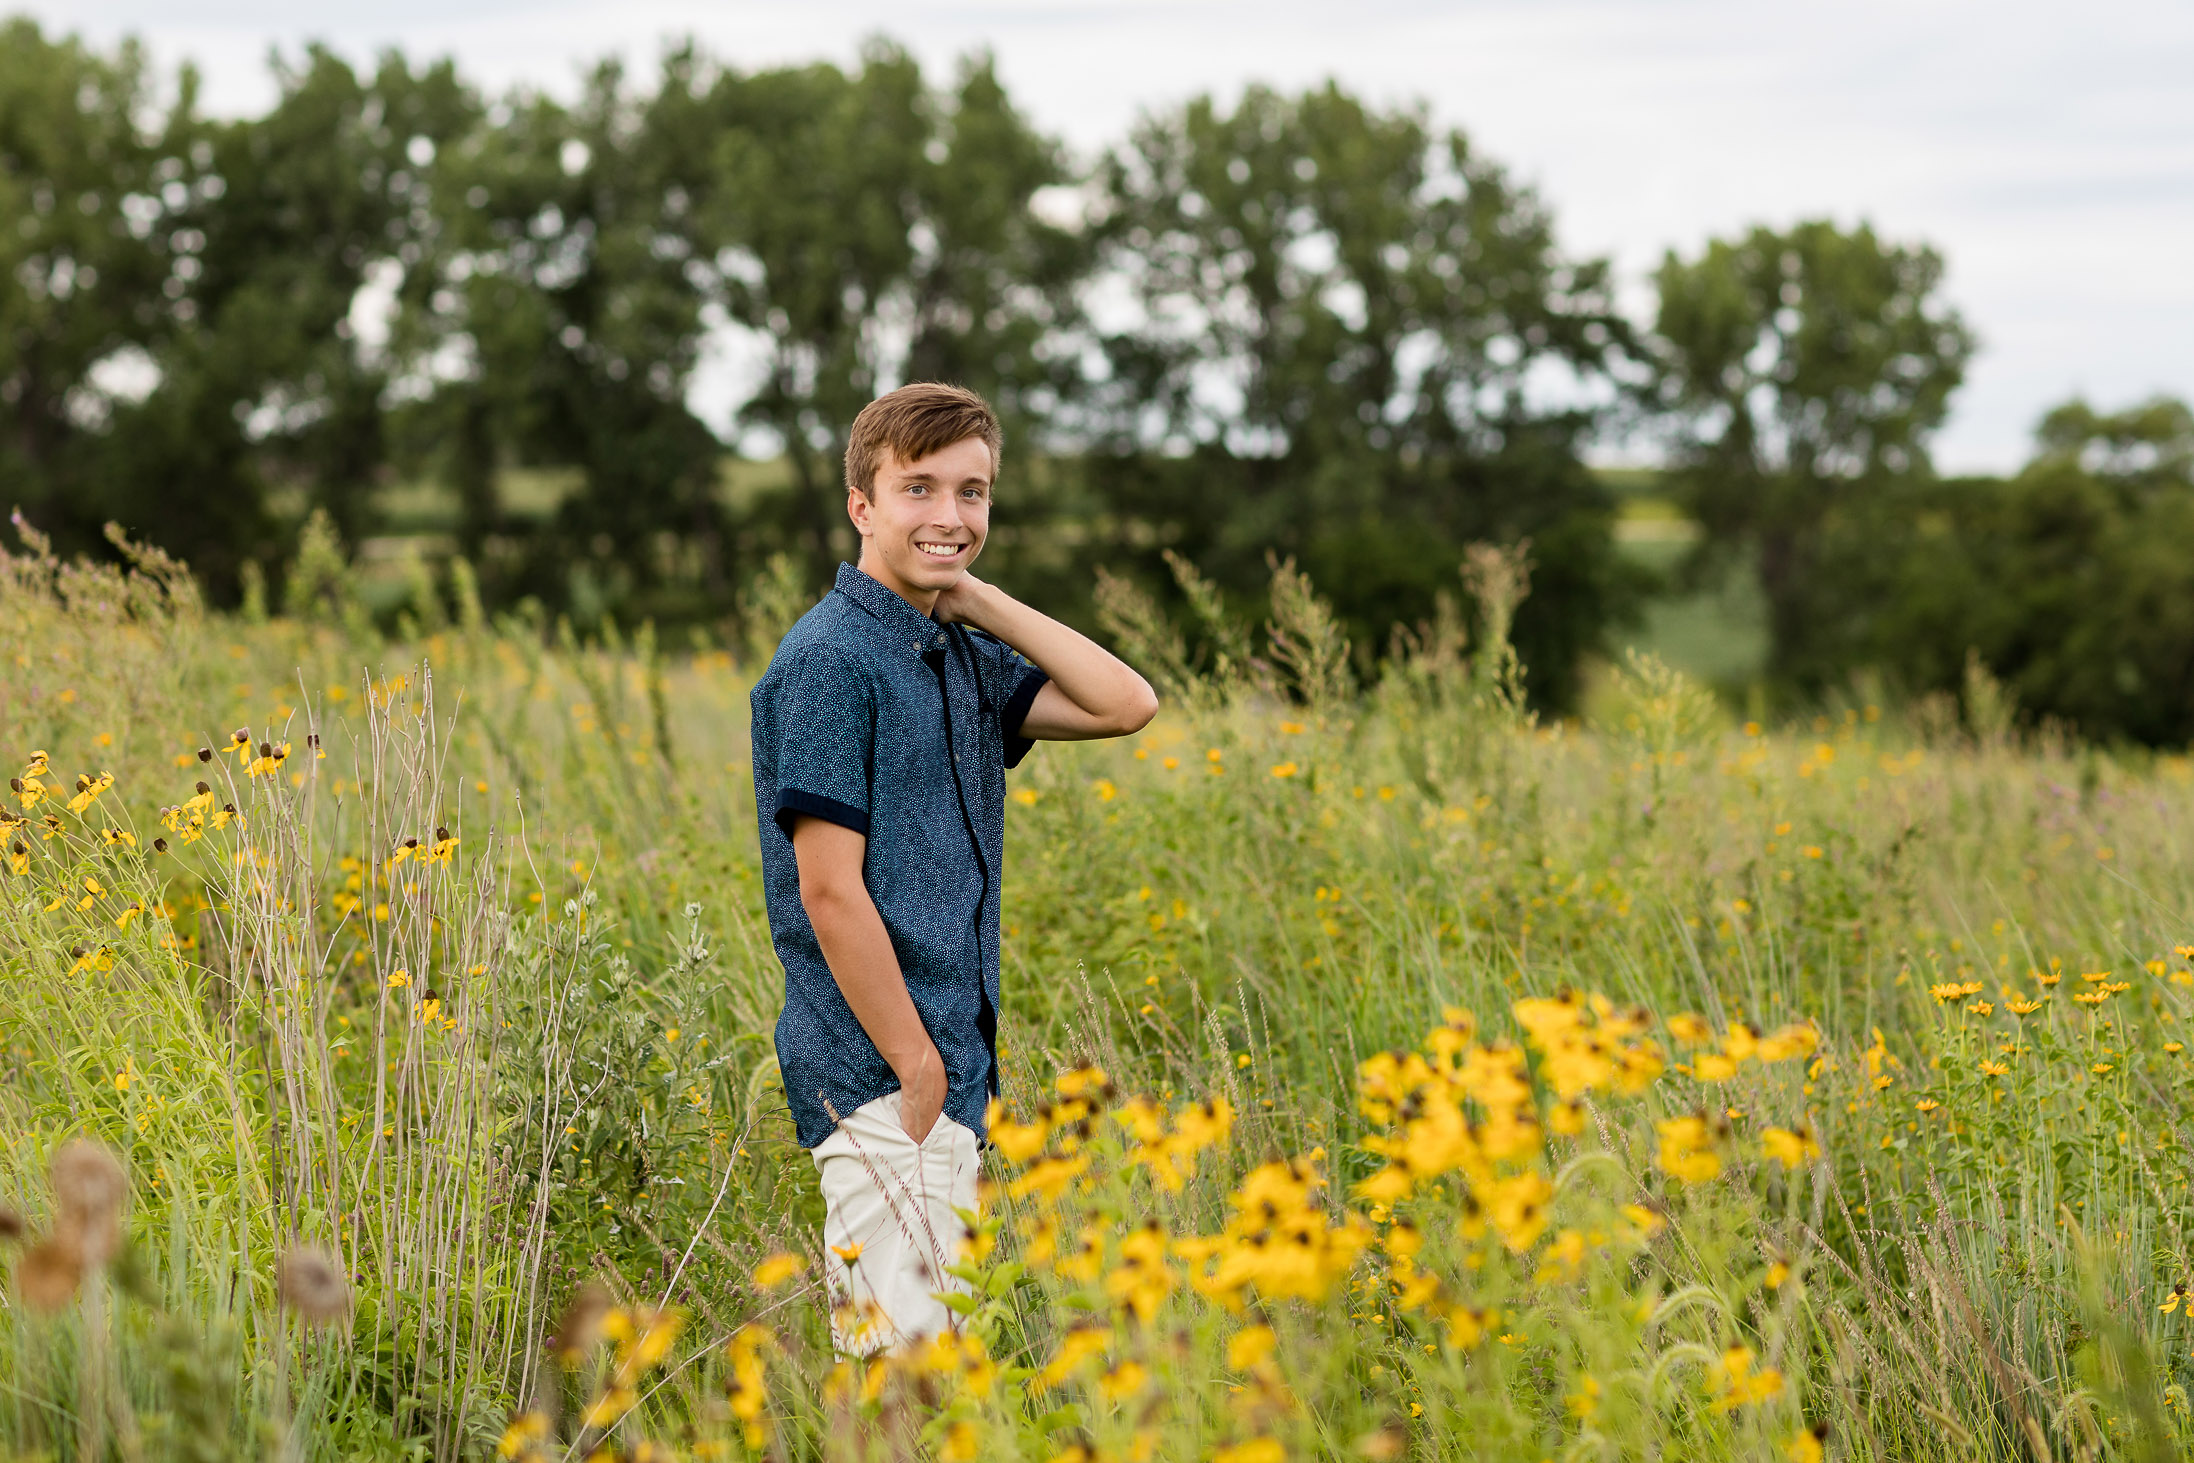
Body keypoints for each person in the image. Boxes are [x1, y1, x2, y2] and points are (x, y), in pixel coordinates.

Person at [749, 382, 1159, 1352]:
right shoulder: (829, 661)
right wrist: (914, 1062)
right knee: (902, 1370)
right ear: (861, 504)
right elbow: (827, 888)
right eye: (918, 489)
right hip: (886, 1077)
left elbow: (1124, 702)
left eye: (971, 493)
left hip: (950, 1078)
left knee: (922, 1367)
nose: (949, 514)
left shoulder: (954, 651)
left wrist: (967, 591)